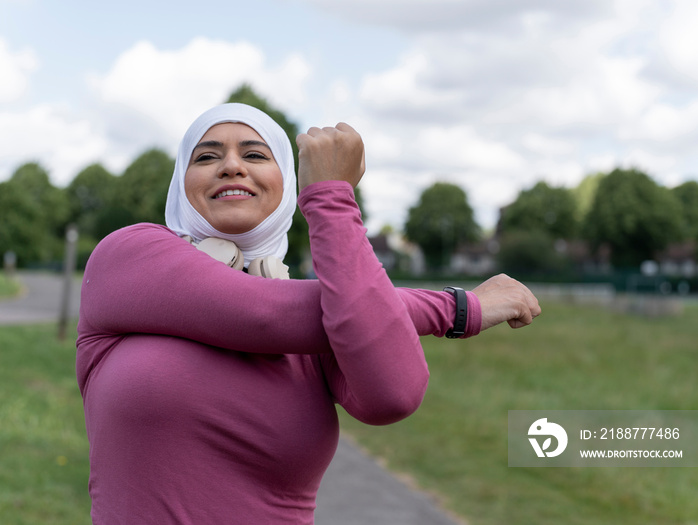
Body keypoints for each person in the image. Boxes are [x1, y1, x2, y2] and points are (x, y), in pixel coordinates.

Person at [76, 103, 540, 524]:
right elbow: (265, 315)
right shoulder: (128, 256)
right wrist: (462, 308)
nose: (232, 166)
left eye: (256, 155)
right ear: (182, 181)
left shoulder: (332, 314)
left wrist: (332, 199)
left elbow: (395, 395)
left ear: (287, 184)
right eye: (206, 156)